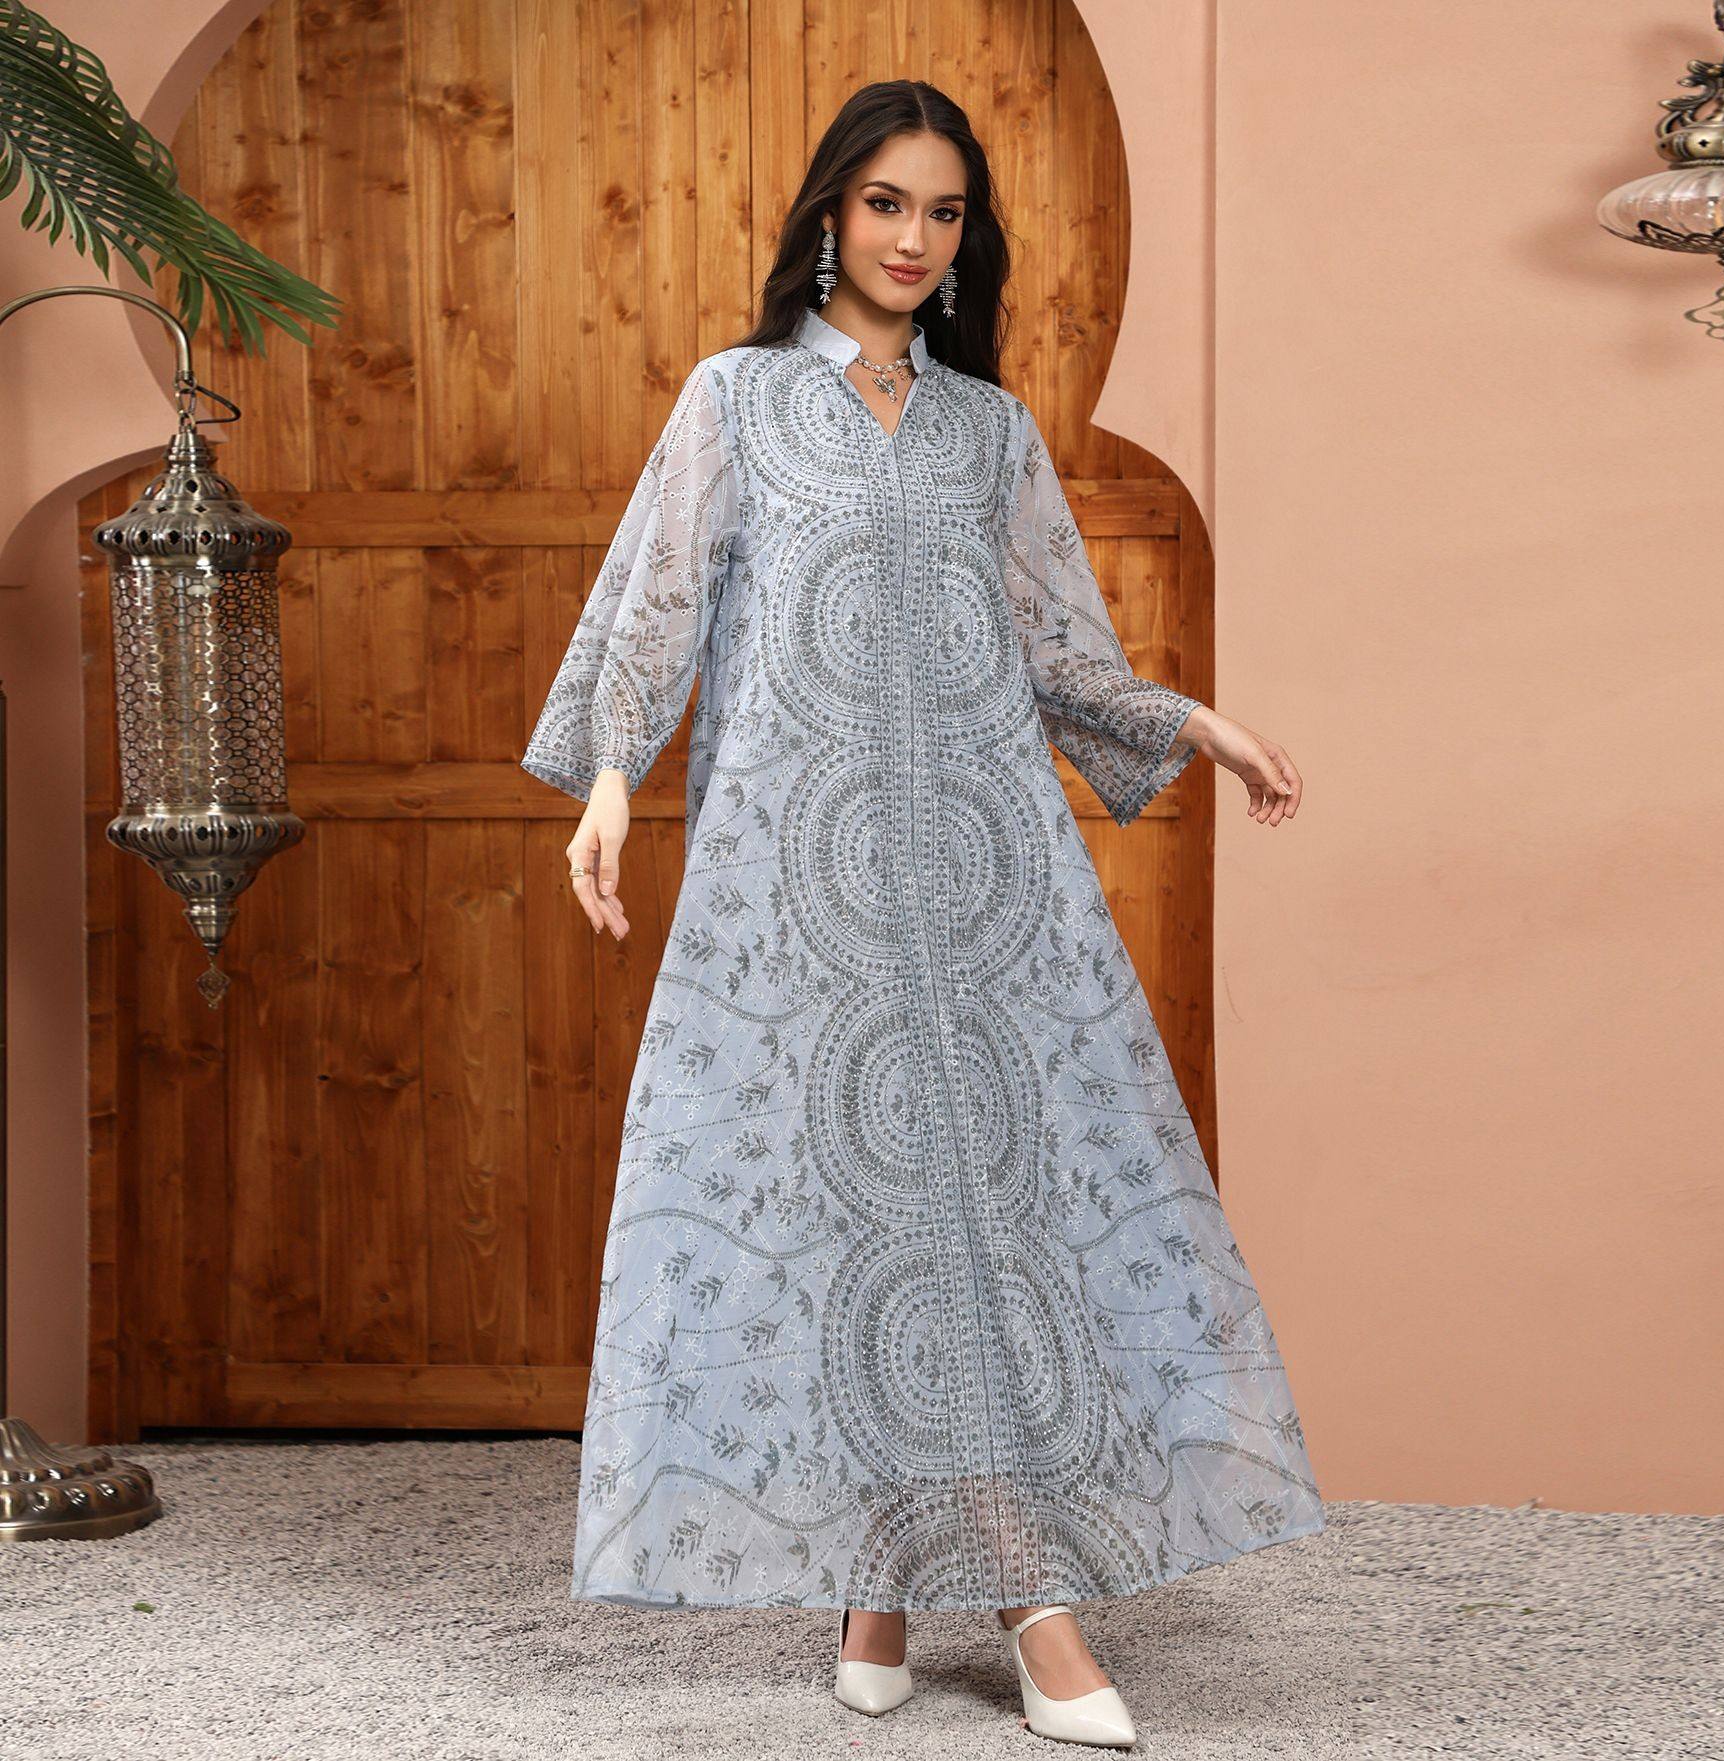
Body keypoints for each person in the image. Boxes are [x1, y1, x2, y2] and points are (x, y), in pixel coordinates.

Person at [521, 78, 1323, 1754]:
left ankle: (892, 1588)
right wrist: (605, 779)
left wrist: (1192, 720)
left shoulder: (987, 429)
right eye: (886, 203)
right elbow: (655, 601)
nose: (912, 238)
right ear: (831, 213)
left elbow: (1057, 650)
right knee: (853, 1212)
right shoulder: (736, 399)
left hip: (980, 878)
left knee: (983, 1210)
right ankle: (1025, 1599)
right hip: (788, 885)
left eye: (942, 212)